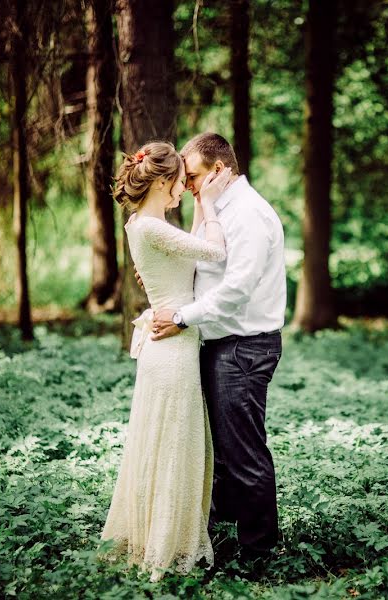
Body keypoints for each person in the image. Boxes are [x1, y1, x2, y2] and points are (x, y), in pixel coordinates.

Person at [148, 132, 287, 567]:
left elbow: (237, 290)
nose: (185, 184)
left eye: (192, 177)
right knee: (222, 456)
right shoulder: (216, 210)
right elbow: (204, 266)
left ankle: (259, 555)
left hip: (244, 349)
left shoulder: (247, 214)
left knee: (244, 454)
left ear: (220, 170)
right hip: (219, 345)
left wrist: (182, 317)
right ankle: (225, 545)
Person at [99, 140, 233, 582]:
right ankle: (166, 548)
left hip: (169, 345)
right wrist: (210, 205)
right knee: (175, 447)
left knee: (165, 444)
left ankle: (165, 537)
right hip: (172, 351)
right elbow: (212, 252)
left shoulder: (142, 224)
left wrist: (196, 204)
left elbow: (185, 251)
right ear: (160, 181)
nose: (182, 192)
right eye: (179, 184)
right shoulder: (153, 228)